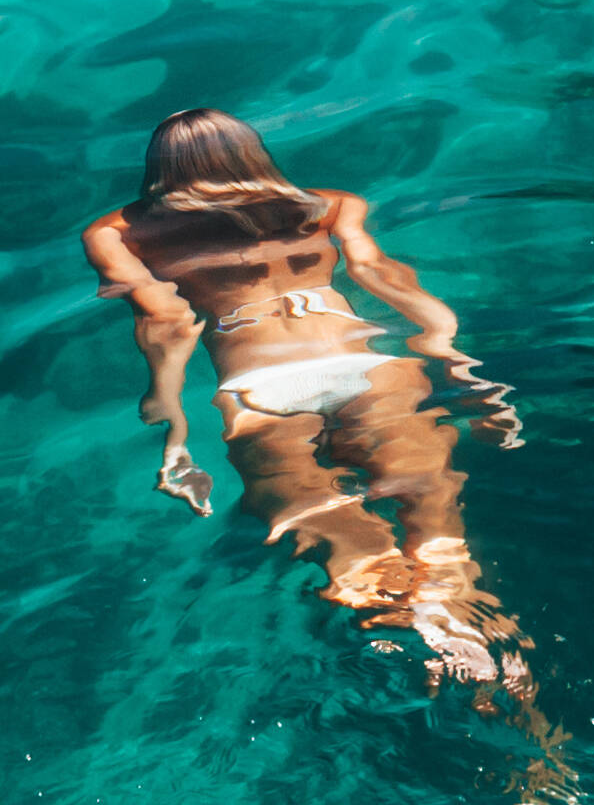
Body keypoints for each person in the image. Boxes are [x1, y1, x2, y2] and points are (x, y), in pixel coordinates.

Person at [82, 109, 533, 689]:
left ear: (160, 168)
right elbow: (383, 275)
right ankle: (477, 641)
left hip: (261, 389)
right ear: (252, 152)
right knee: (435, 516)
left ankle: (415, 625)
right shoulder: (333, 204)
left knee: (336, 537)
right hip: (367, 367)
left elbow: (166, 324)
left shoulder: (116, 233)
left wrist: (175, 434)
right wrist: (461, 365)